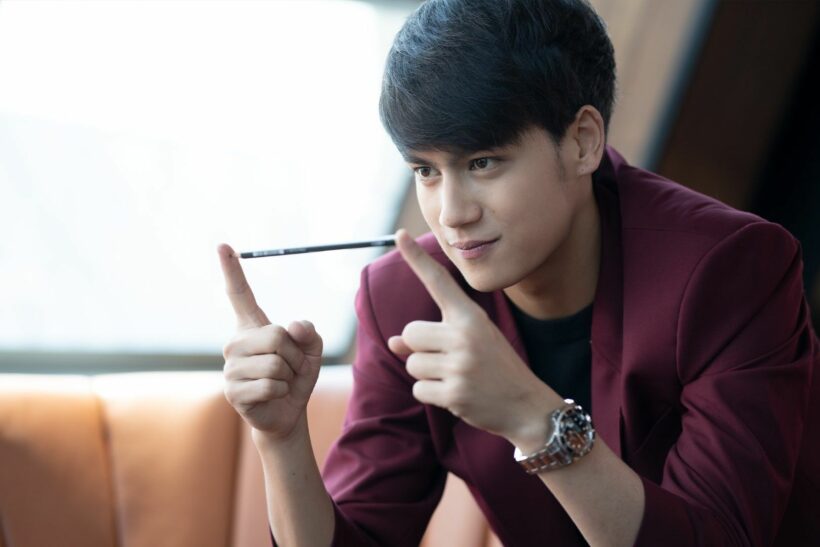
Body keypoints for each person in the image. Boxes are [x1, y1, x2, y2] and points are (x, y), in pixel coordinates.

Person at [218, 0, 819, 545]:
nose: (451, 213)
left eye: (483, 162)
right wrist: (281, 437)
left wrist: (535, 418)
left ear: (582, 142)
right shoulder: (403, 299)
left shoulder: (729, 269)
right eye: (426, 171)